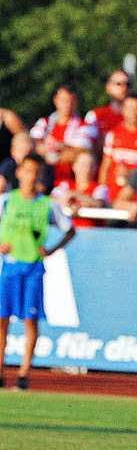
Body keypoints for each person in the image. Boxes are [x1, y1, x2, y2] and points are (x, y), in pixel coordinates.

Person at [0, 153, 75, 389]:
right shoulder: (7, 201)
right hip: (10, 266)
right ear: (20, 172)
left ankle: (23, 373)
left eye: (36, 172)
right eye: (28, 170)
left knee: (30, 320)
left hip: (33, 267)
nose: (31, 176)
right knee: (2, 321)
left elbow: (69, 230)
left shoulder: (47, 204)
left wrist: (51, 250)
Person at [98, 93, 137, 202]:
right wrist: (101, 192)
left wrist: (131, 174)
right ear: (123, 110)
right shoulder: (113, 134)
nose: (134, 112)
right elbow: (105, 166)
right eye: (130, 108)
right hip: (114, 197)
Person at [30, 85, 95, 185]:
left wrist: (51, 155)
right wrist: (64, 149)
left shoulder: (85, 126)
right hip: (43, 175)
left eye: (71, 101)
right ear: (56, 100)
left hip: (68, 180)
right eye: (64, 100)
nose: (68, 105)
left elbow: (78, 152)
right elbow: (34, 145)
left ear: (76, 102)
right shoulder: (44, 122)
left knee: (85, 159)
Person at [84, 69, 137, 147]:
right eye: (119, 84)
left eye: (128, 84)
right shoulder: (95, 116)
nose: (124, 87)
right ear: (108, 88)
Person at [51, 148, 109, 229]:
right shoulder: (64, 186)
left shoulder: (100, 188)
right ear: (74, 166)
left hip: (92, 234)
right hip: (68, 232)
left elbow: (99, 203)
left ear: (95, 168)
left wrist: (75, 195)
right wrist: (67, 203)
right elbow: (52, 201)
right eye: (82, 164)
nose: (86, 169)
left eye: (90, 165)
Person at [0, 132, 54, 196]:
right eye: (20, 151)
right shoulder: (8, 165)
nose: (24, 156)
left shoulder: (41, 166)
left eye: (27, 152)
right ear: (13, 152)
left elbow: (41, 188)